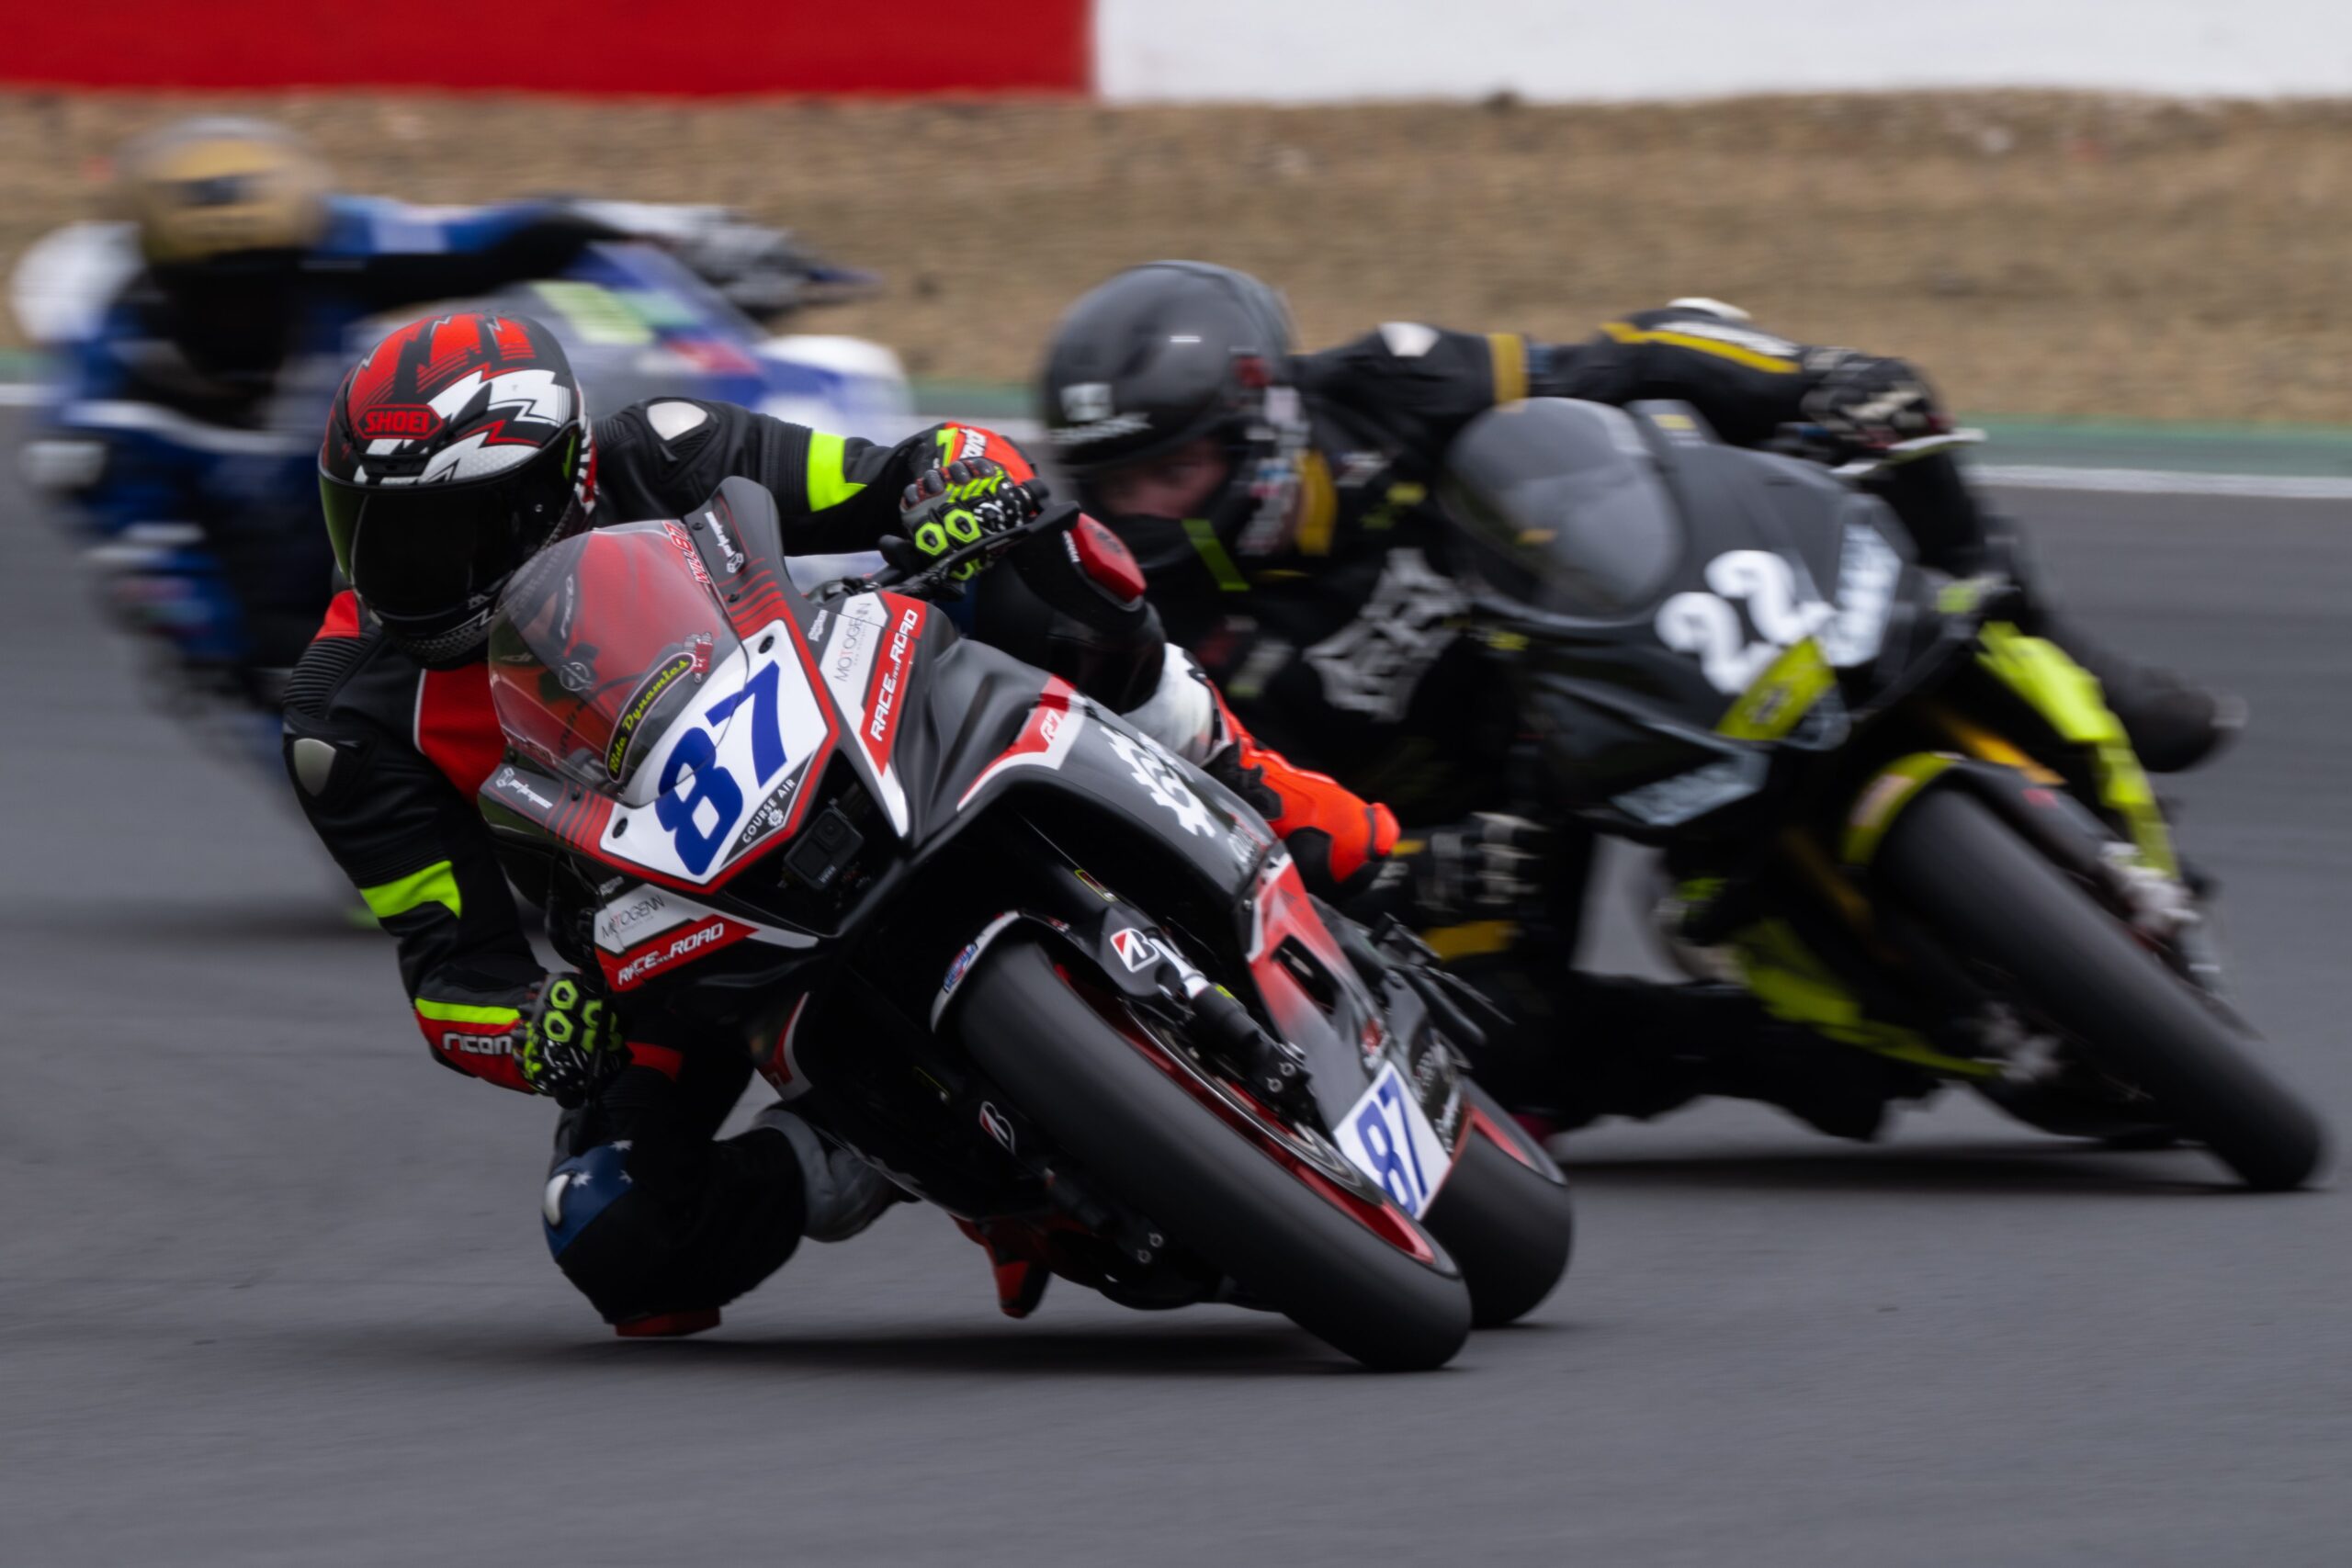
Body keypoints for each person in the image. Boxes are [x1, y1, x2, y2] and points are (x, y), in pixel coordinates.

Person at [282, 309, 1387, 1335]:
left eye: (435, 540)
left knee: (1033, 573)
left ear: (552, 491)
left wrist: (962, 483)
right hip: (668, 932)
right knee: (616, 1236)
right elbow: (449, 979)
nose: (397, 578)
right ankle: (858, 1145)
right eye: (369, 530)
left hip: (855, 741)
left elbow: (902, 471)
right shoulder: (347, 725)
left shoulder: (661, 449)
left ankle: (1247, 782)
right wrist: (534, 1032)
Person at [1032, 262, 2240, 1136]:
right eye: (1119, 483)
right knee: (1499, 1046)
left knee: (1890, 433)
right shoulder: (1158, 632)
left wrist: (1814, 380)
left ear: (1260, 416)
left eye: (1172, 468)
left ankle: (2085, 667)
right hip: (1480, 818)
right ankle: (1757, 1044)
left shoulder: (1384, 384)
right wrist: (1415, 870)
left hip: (1610, 639)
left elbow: (1627, 358)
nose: (1147, 508)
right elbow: (1222, 830)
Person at [31, 116, 818, 739]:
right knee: (325, 728)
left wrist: (681, 239)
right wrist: (258, 661)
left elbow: (507, 236)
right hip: (254, 601)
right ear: (164, 283)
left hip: (368, 513)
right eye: (218, 290)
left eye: (272, 277)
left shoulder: (330, 249)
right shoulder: (104, 419)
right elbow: (166, 588)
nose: (254, 306)